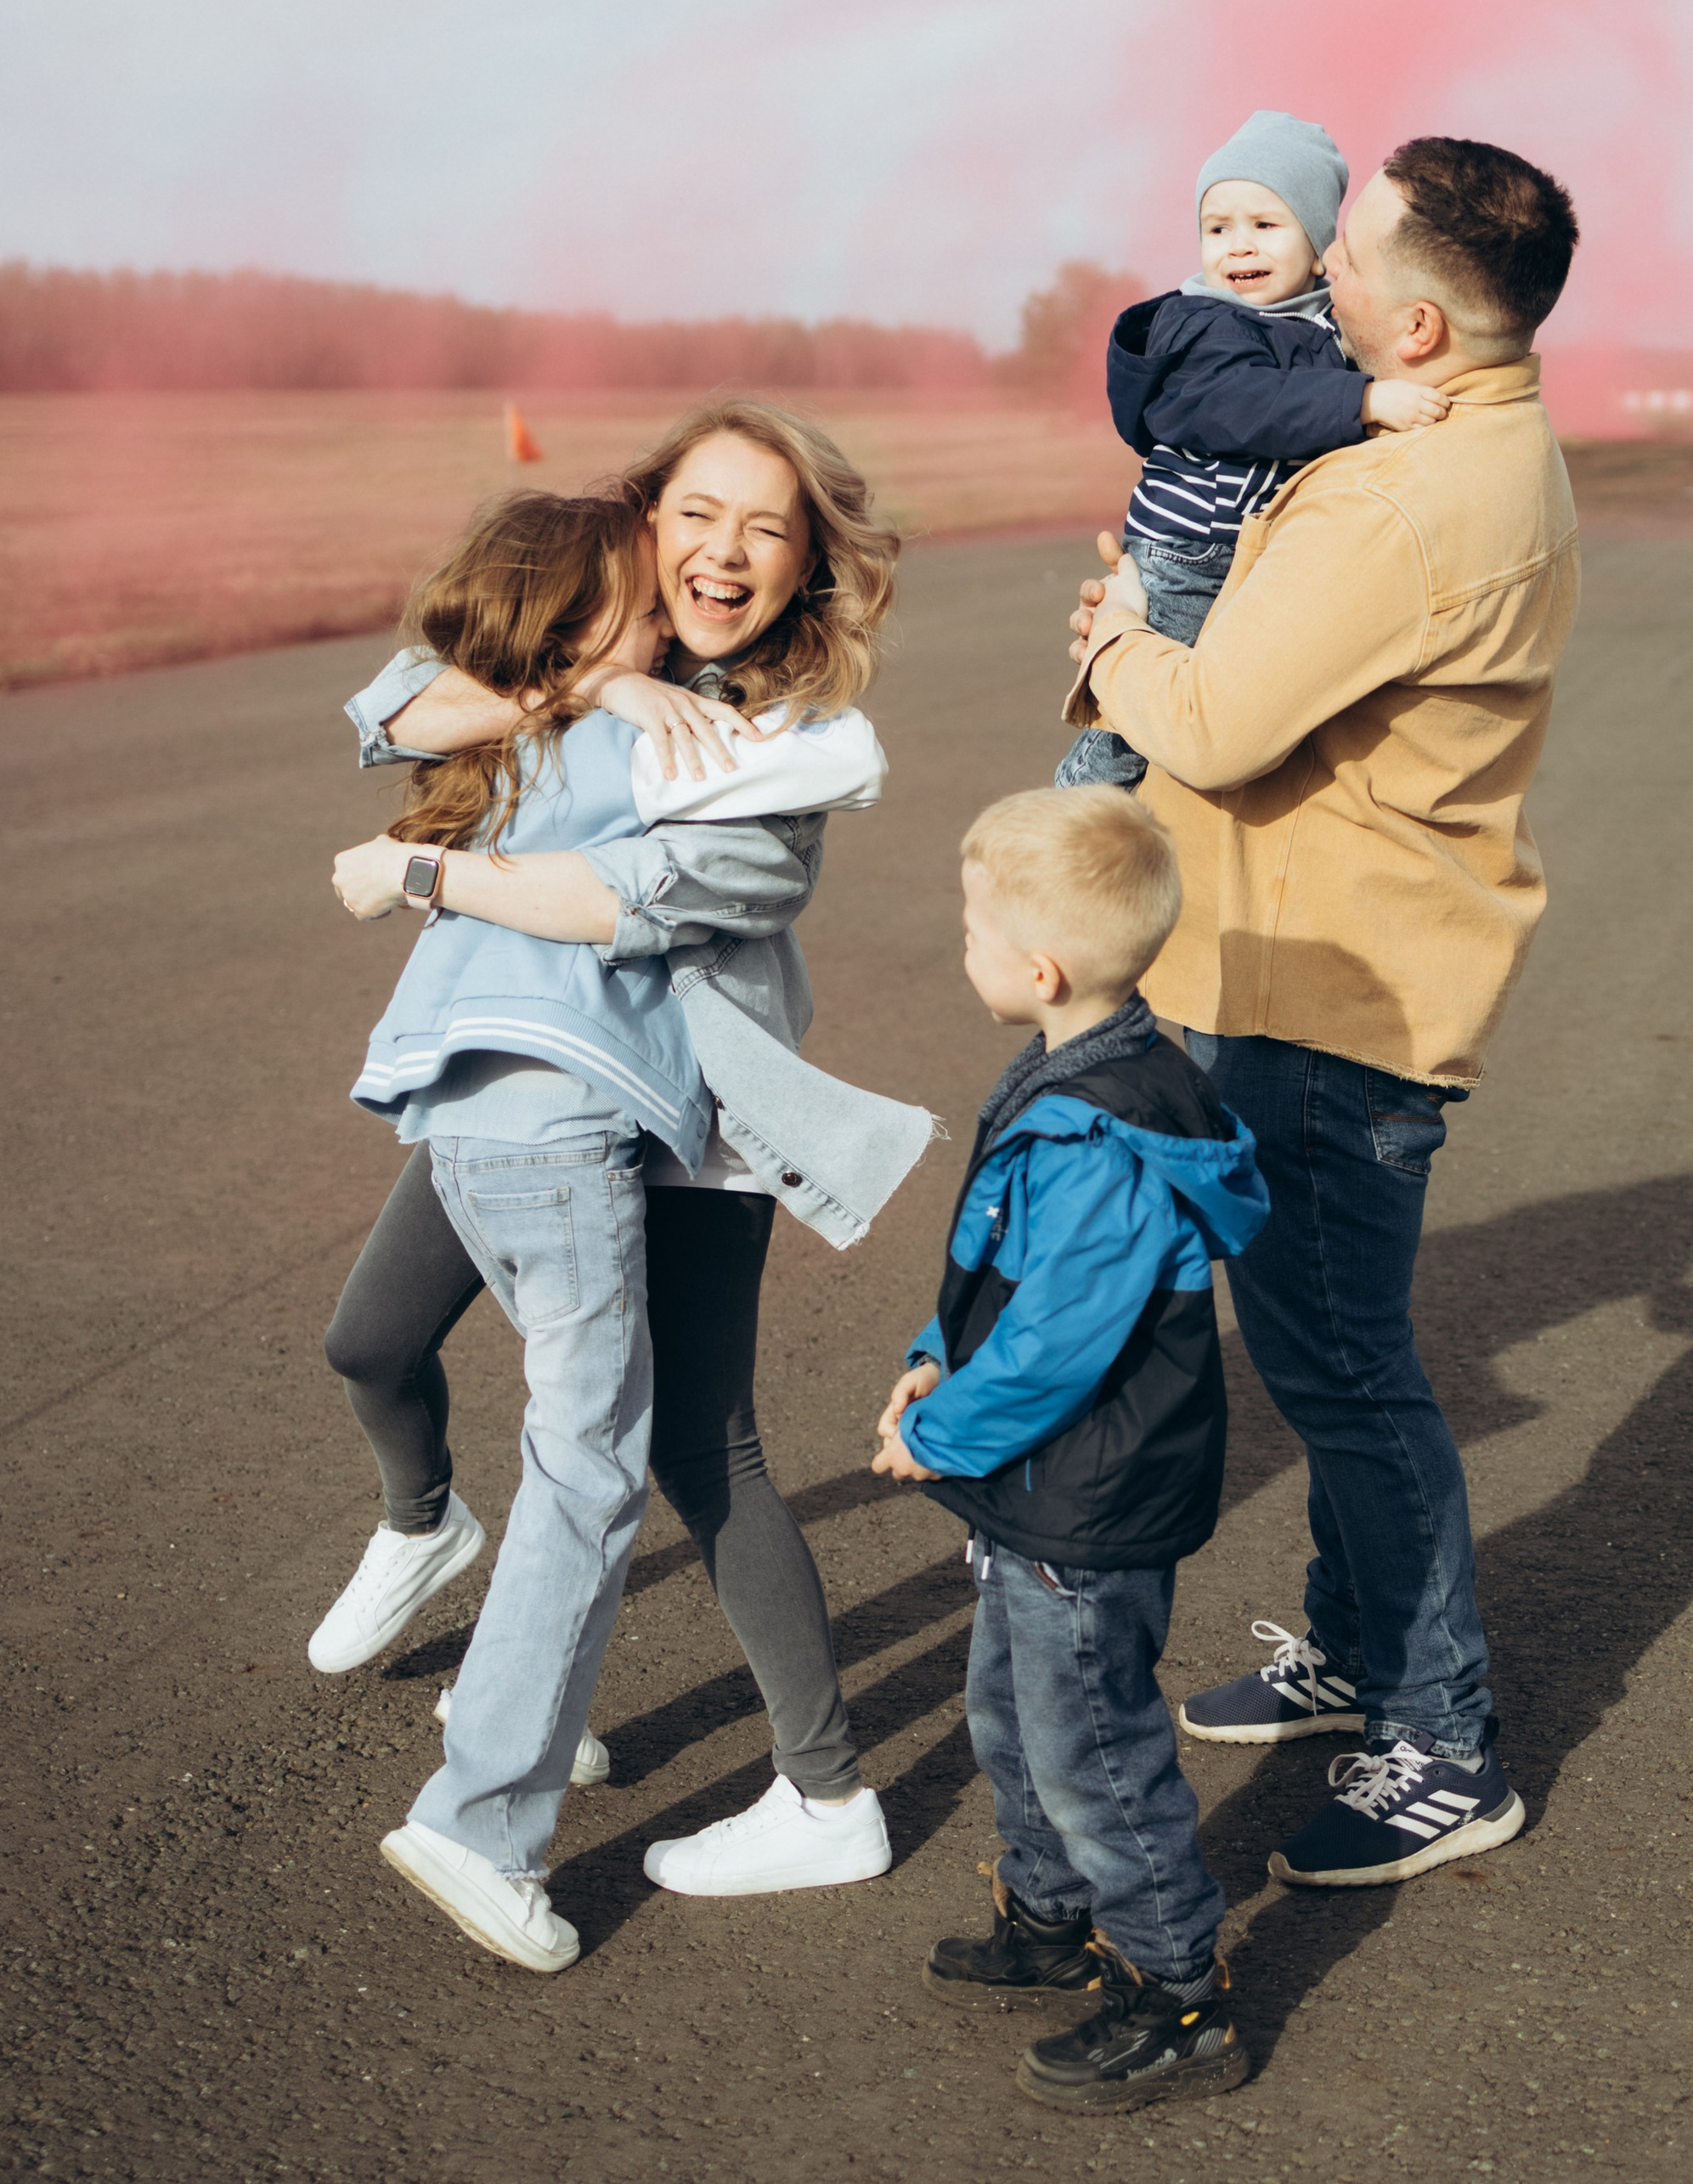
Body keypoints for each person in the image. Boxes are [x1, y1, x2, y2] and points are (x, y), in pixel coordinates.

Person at [319, 405, 924, 1966]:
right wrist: (595, 677)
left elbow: (623, 898)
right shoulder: (583, 649)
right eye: (699, 512)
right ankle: (458, 1572)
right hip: (532, 1084)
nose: (725, 550)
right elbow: (393, 705)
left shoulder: (785, 744)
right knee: (372, 1339)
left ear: (807, 566)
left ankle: (823, 1790)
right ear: (649, 520)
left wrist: (423, 869)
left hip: (684, 1119)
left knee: (696, 1446)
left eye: (767, 528)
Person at [1063, 137, 1581, 1888]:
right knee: (1333, 1351)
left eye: (1346, 254)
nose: (1318, 276)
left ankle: (1442, 1742)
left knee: (1346, 1374)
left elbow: (1213, 723)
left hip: (1323, 984)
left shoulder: (1396, 500)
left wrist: (1116, 642)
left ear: (1418, 326)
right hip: (1338, 952)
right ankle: (1357, 1653)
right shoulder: (1486, 440)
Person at [872, 787, 1269, 2118]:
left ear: (1039, 968)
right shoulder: (1077, 1073)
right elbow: (1000, 1264)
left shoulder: (1104, 1132)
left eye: (973, 925)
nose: (962, 942)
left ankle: (1180, 1993)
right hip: (1045, 1488)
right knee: (1011, 1712)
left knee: (1093, 1748)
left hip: (1088, 1496)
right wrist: (937, 1348)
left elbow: (1057, 1343)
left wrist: (936, 1433)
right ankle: (1050, 1914)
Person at [1055, 107, 1444, 793]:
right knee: (1141, 712)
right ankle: (1079, 808)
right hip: (1189, 552)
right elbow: (1244, 404)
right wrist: (1363, 401)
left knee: (1229, 708)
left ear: (1320, 247)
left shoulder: (1318, 323)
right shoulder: (1208, 325)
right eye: (1218, 228)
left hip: (1247, 551)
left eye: (1265, 225)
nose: (1238, 246)